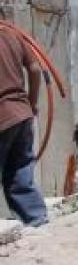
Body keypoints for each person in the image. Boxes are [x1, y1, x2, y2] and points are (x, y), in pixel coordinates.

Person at [0, 21, 48, 227]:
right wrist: (32, 103)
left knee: (17, 170)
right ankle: (37, 219)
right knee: (20, 171)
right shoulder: (14, 34)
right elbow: (35, 69)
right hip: (22, 113)